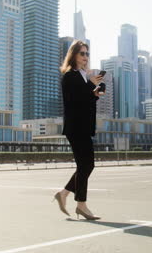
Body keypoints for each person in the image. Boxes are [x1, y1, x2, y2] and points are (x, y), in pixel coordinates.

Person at [53, 40, 104, 220]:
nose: (85, 57)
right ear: (73, 55)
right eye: (82, 53)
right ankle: (81, 205)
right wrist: (90, 85)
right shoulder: (69, 76)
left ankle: (65, 194)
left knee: (86, 165)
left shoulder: (83, 76)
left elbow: (85, 101)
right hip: (75, 128)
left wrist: (95, 95)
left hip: (84, 127)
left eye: (87, 54)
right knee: (86, 165)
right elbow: (73, 102)